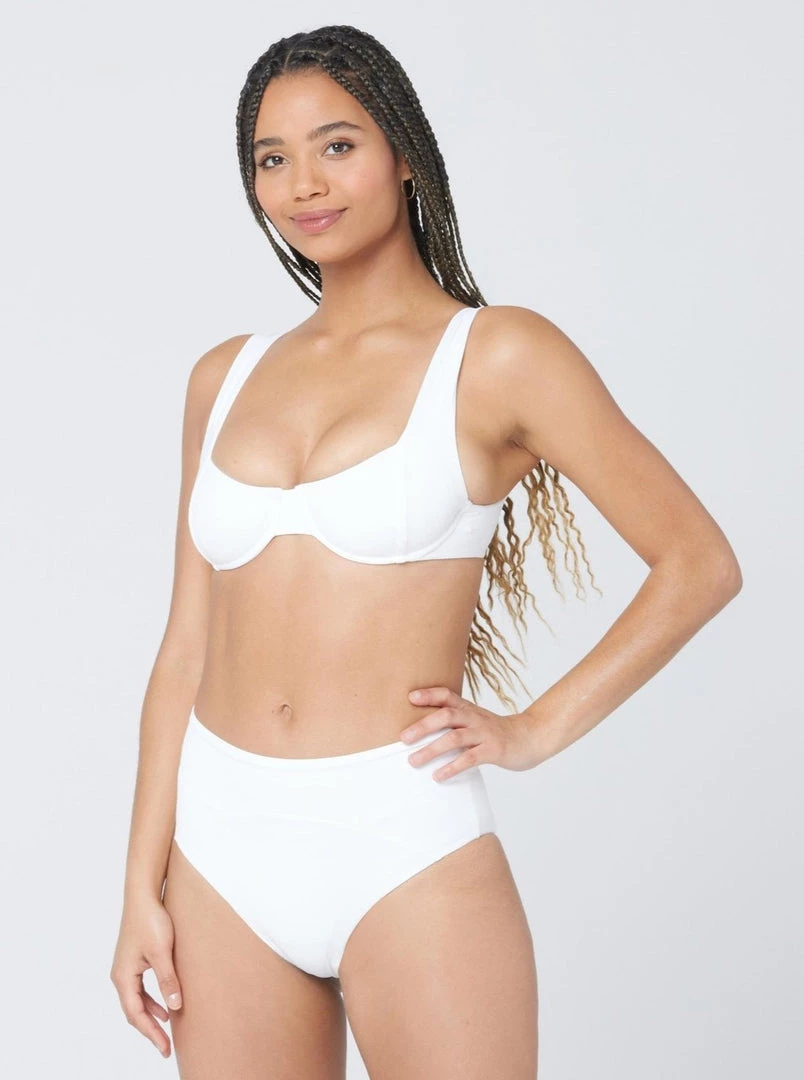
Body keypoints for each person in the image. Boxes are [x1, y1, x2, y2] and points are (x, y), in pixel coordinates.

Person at [109, 24, 742, 1079]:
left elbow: (698, 562)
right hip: (219, 847)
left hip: (400, 838)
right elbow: (183, 650)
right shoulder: (224, 377)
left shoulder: (498, 356)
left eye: (337, 145)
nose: (305, 184)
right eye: (273, 158)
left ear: (403, 152)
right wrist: (140, 883)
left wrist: (533, 730)